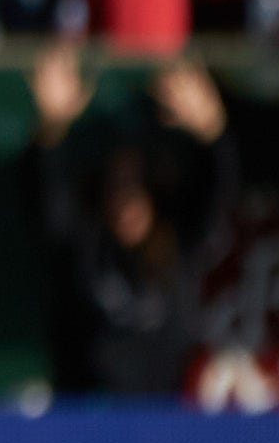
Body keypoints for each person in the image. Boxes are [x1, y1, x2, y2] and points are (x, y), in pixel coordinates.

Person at [28, 49, 237, 400]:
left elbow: (218, 199)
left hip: (166, 422)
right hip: (90, 419)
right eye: (116, 187)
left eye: (137, 186)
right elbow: (50, 207)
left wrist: (213, 130)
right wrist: (51, 129)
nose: (126, 201)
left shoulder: (181, 245)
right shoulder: (86, 246)